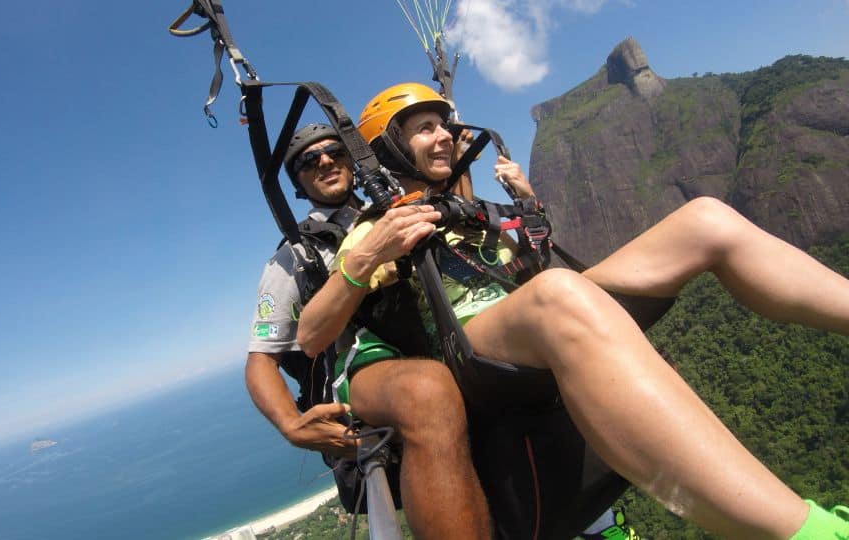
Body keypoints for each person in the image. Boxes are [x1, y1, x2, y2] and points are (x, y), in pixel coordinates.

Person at [296, 82, 849, 539]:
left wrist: (527, 204)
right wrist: (366, 257)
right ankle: (804, 532)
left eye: (444, 124)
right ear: (389, 146)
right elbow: (311, 336)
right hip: (468, 348)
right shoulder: (374, 229)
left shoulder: (468, 207)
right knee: (557, 292)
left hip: (529, 315)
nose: (444, 135)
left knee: (705, 221)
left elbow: (533, 253)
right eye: (425, 127)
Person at [245, 123, 491, 538]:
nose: (325, 161)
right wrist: (292, 424)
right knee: (426, 393)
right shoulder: (295, 258)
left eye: (334, 152)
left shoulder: (394, 206)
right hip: (375, 372)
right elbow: (261, 359)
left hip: (439, 340)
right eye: (308, 160)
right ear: (299, 185)